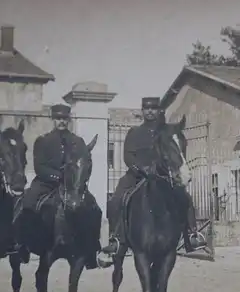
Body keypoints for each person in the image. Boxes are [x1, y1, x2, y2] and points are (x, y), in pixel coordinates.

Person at [97, 97, 205, 267]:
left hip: (162, 176)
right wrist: (141, 169)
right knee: (117, 199)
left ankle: (192, 234)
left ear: (158, 111)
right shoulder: (134, 132)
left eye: (153, 108)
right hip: (137, 175)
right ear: (142, 111)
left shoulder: (167, 131)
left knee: (184, 197)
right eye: (146, 108)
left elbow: (175, 151)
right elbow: (128, 156)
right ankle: (115, 239)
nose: (150, 111)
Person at [15, 104, 100, 266]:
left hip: (72, 185)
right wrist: (58, 176)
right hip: (47, 182)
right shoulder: (43, 140)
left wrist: (76, 178)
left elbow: (85, 162)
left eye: (64, 119)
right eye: (58, 118)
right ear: (52, 119)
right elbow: (40, 166)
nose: (61, 122)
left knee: (94, 207)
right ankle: (23, 244)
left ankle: (92, 249)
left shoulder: (77, 141)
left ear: (68, 120)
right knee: (28, 201)